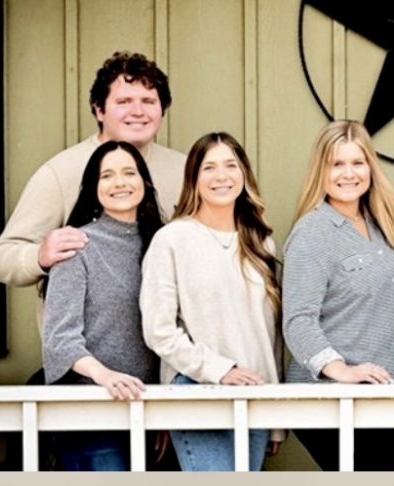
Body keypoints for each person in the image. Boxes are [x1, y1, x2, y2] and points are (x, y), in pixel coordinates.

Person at [140, 132, 282, 471]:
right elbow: (159, 330)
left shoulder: (261, 244)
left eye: (231, 165)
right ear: (194, 177)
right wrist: (220, 370)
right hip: (197, 387)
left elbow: (271, 335)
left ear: (244, 174)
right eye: (209, 167)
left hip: (255, 390)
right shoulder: (172, 239)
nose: (222, 176)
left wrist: (275, 414)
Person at [283, 120, 394, 470]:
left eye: (357, 162)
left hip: (380, 403)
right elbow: (298, 320)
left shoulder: (381, 225)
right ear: (321, 171)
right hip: (334, 404)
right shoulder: (312, 233)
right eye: (336, 164)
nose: (348, 173)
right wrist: (340, 369)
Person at [0, 51, 184, 293]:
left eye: (148, 101)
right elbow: (2, 258)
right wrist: (39, 255)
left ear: (162, 109)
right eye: (123, 102)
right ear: (99, 110)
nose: (138, 111)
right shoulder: (60, 172)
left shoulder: (187, 170)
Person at [40, 141, 164, 470]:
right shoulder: (77, 246)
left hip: (149, 408)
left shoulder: (163, 245)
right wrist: (104, 375)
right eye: (106, 175)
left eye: (129, 172)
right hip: (89, 407)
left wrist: (168, 406)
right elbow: (59, 339)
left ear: (145, 181)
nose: (119, 182)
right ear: (93, 188)